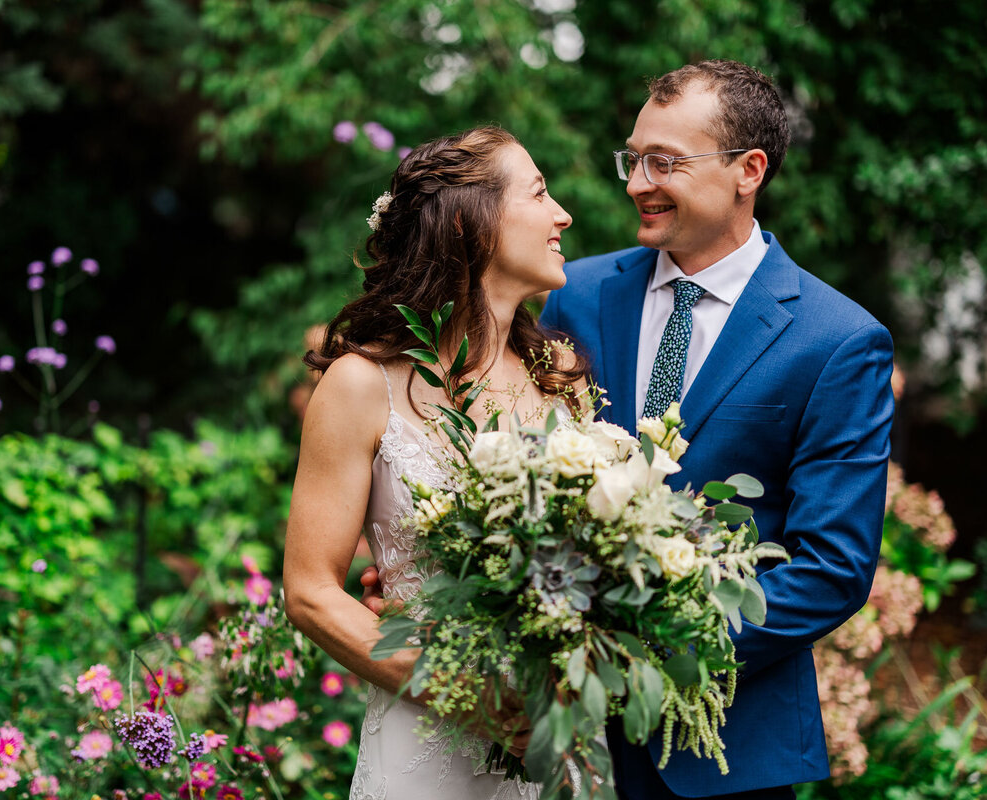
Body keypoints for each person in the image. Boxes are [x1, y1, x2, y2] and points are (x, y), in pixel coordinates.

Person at [539, 60, 894, 799]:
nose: (637, 182)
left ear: (748, 170)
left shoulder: (836, 341)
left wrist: (652, 655)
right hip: (560, 733)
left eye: (663, 161)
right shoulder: (574, 298)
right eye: (632, 158)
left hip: (726, 746)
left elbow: (832, 566)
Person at [283, 126, 586, 800]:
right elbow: (310, 592)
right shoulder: (363, 385)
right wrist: (468, 698)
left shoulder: (558, 378)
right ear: (472, 225)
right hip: (423, 757)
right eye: (538, 192)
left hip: (550, 759)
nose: (563, 213)